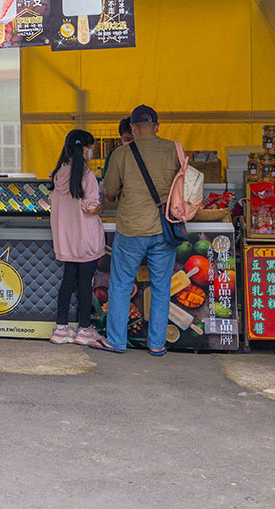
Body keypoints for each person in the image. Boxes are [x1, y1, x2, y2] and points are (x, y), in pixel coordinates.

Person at [90, 105, 180, 356]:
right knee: (161, 287)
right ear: (157, 126)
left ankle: (117, 341)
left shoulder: (122, 153)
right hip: (165, 229)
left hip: (131, 228)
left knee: (120, 284)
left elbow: (109, 191)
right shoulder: (174, 150)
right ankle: (157, 343)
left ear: (132, 128)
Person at [48, 130, 104, 345]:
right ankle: (84, 330)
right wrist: (99, 207)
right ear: (83, 149)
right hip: (86, 240)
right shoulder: (87, 176)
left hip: (66, 241)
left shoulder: (57, 174)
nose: (91, 151)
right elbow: (90, 207)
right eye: (90, 147)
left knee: (67, 281)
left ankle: (61, 329)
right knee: (84, 285)